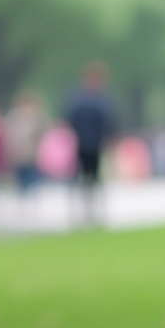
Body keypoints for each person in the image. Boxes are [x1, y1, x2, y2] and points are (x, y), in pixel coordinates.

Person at [63, 61, 117, 226]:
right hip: (86, 145)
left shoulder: (79, 100)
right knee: (87, 180)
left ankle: (90, 213)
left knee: (90, 180)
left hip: (91, 145)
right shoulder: (99, 101)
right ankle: (86, 213)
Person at [4, 91, 49, 195]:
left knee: (25, 177)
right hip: (28, 153)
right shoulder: (37, 116)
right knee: (28, 177)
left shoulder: (15, 115)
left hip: (24, 153)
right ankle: (26, 193)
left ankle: (25, 193)